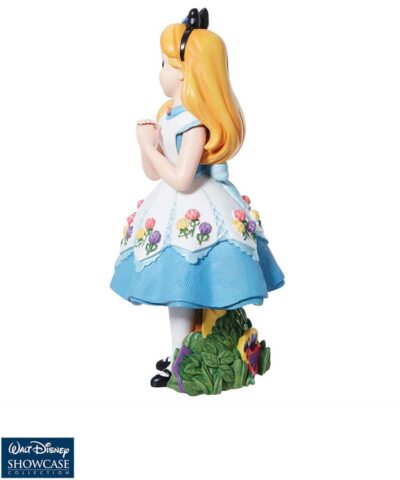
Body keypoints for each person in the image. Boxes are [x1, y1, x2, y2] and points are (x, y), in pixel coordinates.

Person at [110, 8, 285, 389]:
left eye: (165, 63)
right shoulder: (169, 115)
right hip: (171, 203)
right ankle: (181, 353)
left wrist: (149, 146)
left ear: (185, 72)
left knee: (191, 283)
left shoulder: (193, 125)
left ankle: (184, 358)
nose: (160, 71)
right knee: (178, 288)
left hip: (195, 204)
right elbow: (153, 173)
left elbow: (181, 177)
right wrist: (147, 146)